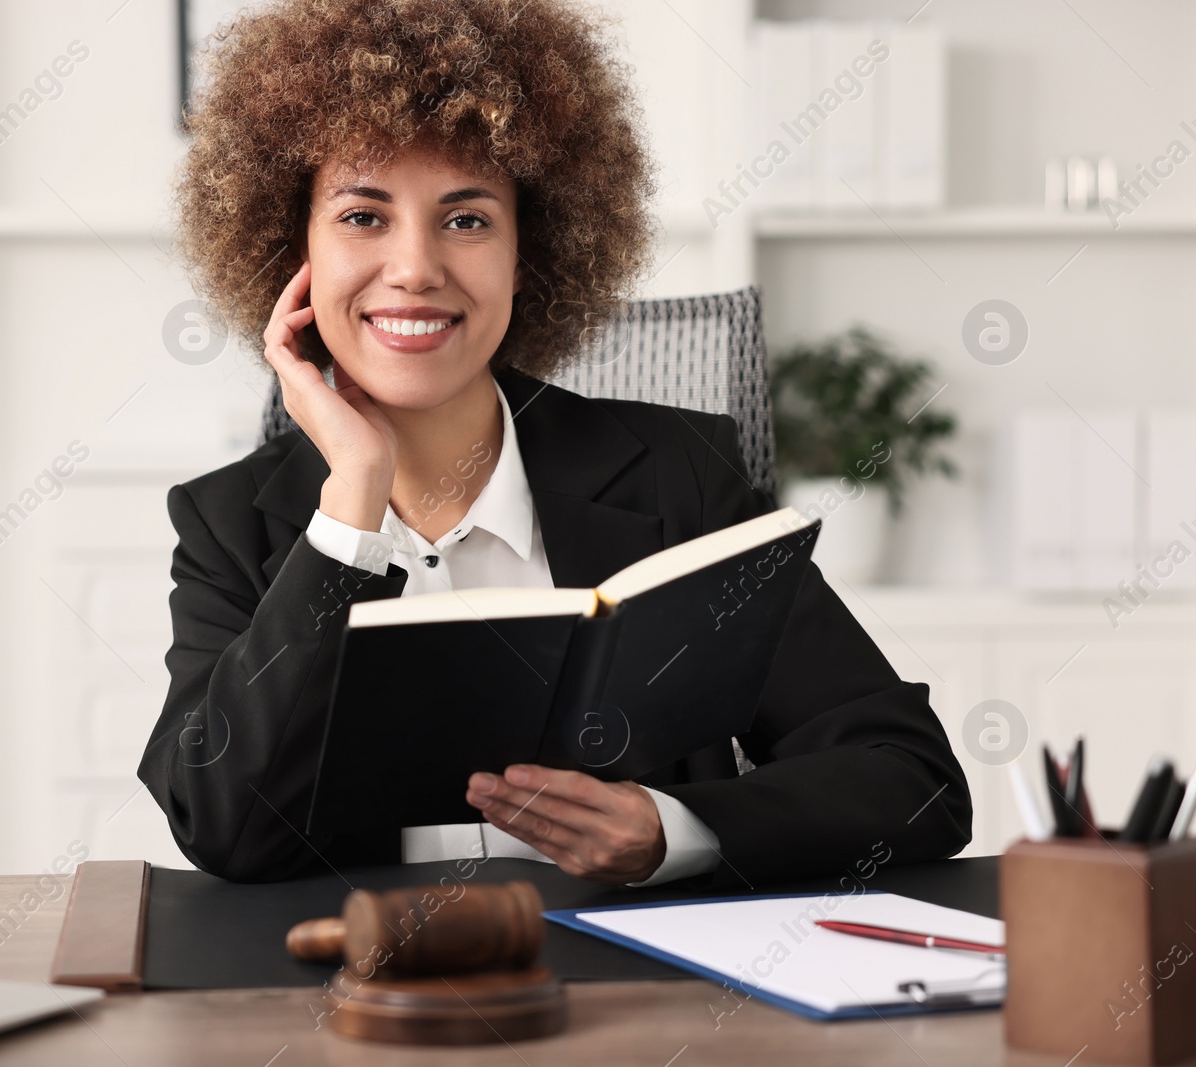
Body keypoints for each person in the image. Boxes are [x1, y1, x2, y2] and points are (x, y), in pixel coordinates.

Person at [138, 0, 971, 885]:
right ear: (289, 247)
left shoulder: (680, 479)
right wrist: (350, 505)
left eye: (467, 219)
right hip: (367, 1005)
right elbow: (221, 825)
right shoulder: (232, 525)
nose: (416, 267)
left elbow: (913, 780)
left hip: (641, 1001)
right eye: (362, 216)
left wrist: (671, 830)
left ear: (526, 253)